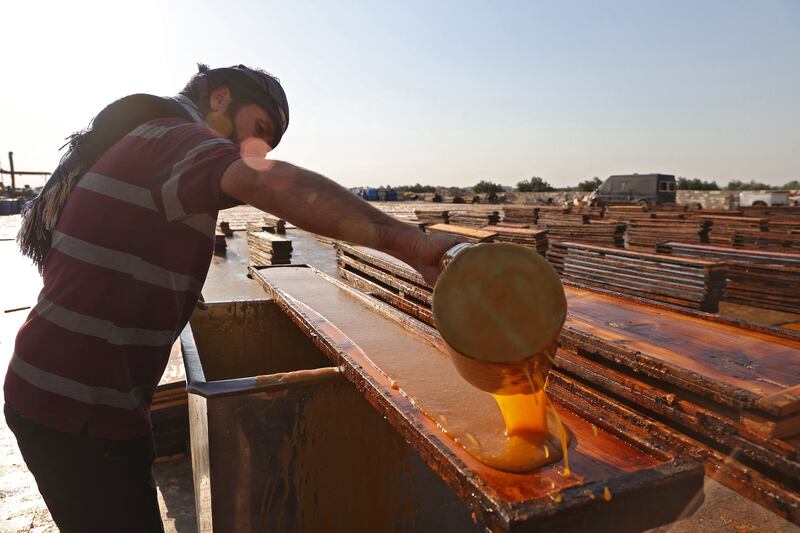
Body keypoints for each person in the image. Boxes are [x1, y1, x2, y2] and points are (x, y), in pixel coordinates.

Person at [4, 64, 463, 532]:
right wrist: (412, 244)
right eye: (259, 130)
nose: (257, 149)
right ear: (220, 98)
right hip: (76, 410)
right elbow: (267, 181)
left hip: (74, 398)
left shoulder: (152, 143)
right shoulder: (174, 138)